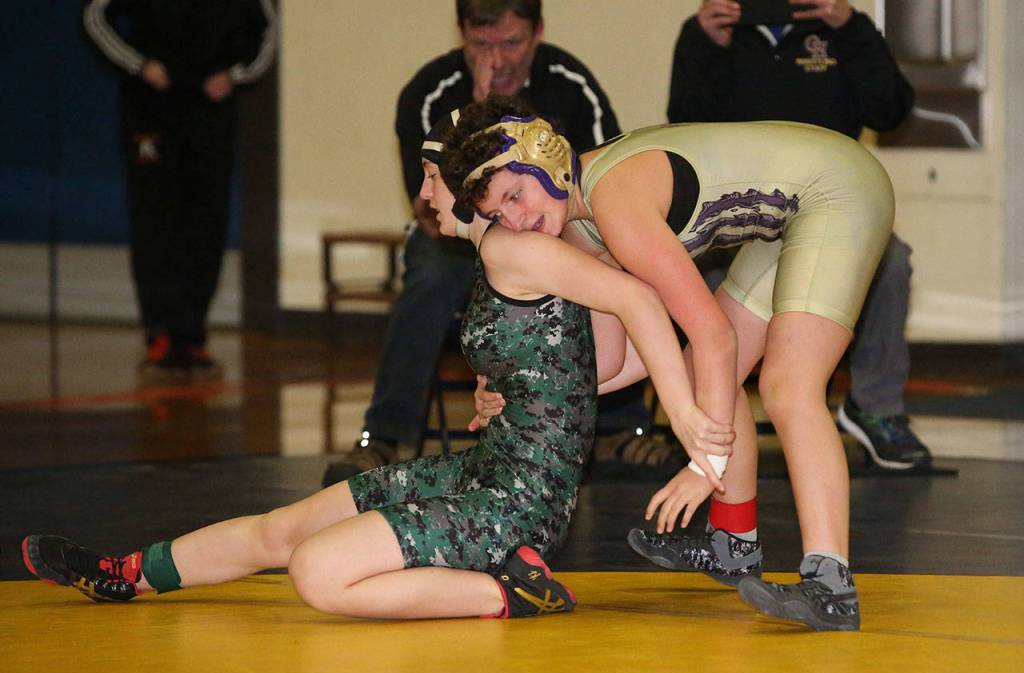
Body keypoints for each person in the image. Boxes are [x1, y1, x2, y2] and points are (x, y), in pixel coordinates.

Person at [22, 110, 732, 621]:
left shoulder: (514, 249)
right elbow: (594, 357)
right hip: (484, 473)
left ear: (469, 185)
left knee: (316, 571)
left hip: (514, 506)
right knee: (282, 531)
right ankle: (129, 574)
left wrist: (686, 416)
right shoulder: (509, 252)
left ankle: (507, 591)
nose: (422, 194)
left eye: (430, 178)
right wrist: (513, 389)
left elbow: (639, 301)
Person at [441, 95, 897, 631]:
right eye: (499, 214)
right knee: (704, 372)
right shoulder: (578, 227)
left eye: (516, 194)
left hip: (837, 188)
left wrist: (706, 465)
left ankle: (831, 581)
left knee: (788, 386)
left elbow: (716, 334)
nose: (516, 220)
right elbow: (609, 360)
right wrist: (515, 388)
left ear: (545, 157)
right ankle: (733, 544)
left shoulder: (615, 204)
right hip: (790, 215)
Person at [323, 0, 677, 487]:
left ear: (537, 33)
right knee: (429, 273)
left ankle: (618, 427)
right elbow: (428, 211)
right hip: (456, 237)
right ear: (461, 34)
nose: (498, 58)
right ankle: (384, 433)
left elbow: (596, 181)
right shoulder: (431, 91)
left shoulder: (569, 82)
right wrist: (474, 119)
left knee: (603, 257)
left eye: (511, 43)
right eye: (482, 44)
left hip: (551, 228)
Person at [667, 0, 931, 471]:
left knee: (891, 260)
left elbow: (891, 111)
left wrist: (851, 30)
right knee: (680, 262)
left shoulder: (842, 28)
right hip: (735, 209)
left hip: (827, 206)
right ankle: (698, 413)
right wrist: (710, 48)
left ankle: (876, 408)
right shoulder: (709, 31)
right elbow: (684, 127)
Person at [83, 0, 277, 378]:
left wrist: (235, 75)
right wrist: (140, 65)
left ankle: (192, 335)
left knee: (206, 220)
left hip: (211, 111)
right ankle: (159, 333)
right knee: (153, 219)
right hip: (151, 109)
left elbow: (266, 31)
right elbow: (94, 16)